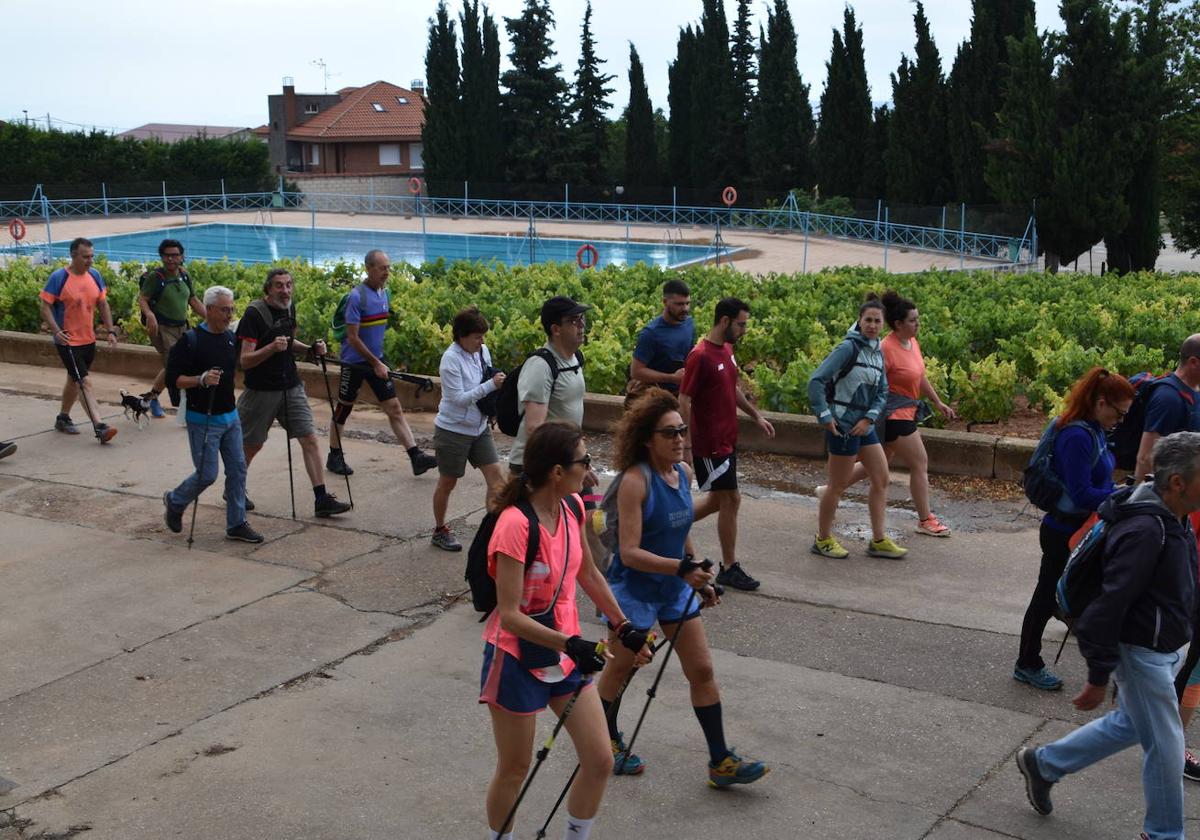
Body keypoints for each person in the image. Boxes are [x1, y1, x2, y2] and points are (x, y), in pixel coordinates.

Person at [1017, 432, 1200, 840]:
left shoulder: (1176, 515)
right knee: (1167, 743)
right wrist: (1099, 675)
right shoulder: (1146, 530)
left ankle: (1044, 764)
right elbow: (1106, 608)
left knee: (1132, 725)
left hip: (1163, 646)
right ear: (1178, 483)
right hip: (1141, 651)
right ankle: (1164, 834)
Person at [481, 422, 652, 840]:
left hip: (566, 654)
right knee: (515, 767)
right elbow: (509, 614)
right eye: (585, 461)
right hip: (516, 655)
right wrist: (571, 643)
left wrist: (622, 626)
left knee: (599, 760)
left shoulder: (573, 506)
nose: (591, 469)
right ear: (557, 471)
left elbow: (588, 573)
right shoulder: (515, 525)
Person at [597, 387, 770, 786]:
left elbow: (680, 527)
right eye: (669, 433)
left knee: (702, 669)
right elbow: (630, 551)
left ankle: (720, 761)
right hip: (633, 590)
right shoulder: (634, 482)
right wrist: (681, 569)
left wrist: (696, 574)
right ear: (646, 439)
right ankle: (605, 740)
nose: (679, 440)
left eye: (682, 431)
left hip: (674, 587)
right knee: (621, 668)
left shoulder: (683, 475)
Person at [1013, 367, 1135, 690]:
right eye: (1119, 413)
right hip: (1063, 532)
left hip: (1077, 529)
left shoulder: (1094, 430)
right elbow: (1082, 493)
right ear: (1099, 402)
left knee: (1069, 592)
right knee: (1046, 595)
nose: (1120, 420)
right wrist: (1123, 494)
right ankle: (1027, 662)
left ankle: (1062, 619)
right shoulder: (1077, 436)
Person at [834, 290, 957, 537]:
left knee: (874, 467)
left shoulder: (912, 343)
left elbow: (919, 376)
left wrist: (937, 402)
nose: (917, 324)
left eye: (918, 319)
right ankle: (925, 519)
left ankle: (830, 490)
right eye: (913, 320)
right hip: (891, 416)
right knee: (919, 462)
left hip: (907, 411)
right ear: (898, 324)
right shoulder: (885, 348)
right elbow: (873, 381)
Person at [236, 268, 351, 519]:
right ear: (268, 289)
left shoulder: (289, 308)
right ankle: (234, 489)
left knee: (309, 438)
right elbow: (245, 360)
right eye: (279, 285)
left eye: (289, 285)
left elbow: (288, 343)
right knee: (252, 445)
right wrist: (270, 349)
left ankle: (321, 498)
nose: (285, 290)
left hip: (291, 386)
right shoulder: (254, 314)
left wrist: (310, 350)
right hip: (261, 391)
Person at [679, 297, 776, 592]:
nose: (744, 330)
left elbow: (731, 387)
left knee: (719, 501)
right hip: (709, 445)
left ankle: (667, 523)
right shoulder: (701, 356)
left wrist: (756, 415)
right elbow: (684, 399)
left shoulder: (727, 351)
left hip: (727, 439)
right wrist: (685, 443)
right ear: (724, 321)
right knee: (730, 499)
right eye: (741, 324)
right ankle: (730, 567)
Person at [806, 294, 907, 560]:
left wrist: (870, 418)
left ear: (883, 324)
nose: (872, 325)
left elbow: (883, 390)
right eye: (868, 320)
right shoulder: (847, 349)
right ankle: (823, 539)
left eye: (877, 321)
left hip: (864, 427)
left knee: (881, 477)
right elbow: (815, 381)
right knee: (836, 486)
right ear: (860, 321)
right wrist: (826, 417)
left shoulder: (876, 352)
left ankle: (879, 540)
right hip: (842, 427)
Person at [161, 286, 262, 544]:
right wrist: (201, 380)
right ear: (209, 310)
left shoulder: (229, 338)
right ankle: (175, 500)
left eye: (231, 309)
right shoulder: (191, 340)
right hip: (202, 419)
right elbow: (173, 379)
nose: (230, 315)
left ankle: (237, 523)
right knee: (207, 474)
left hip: (230, 416)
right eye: (225, 310)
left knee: (238, 470)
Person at [325, 249, 437, 478]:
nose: (387, 272)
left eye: (388, 267)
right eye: (382, 267)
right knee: (344, 408)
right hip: (354, 363)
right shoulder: (357, 297)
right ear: (369, 268)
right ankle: (334, 455)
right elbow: (353, 338)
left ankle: (416, 456)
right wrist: (375, 362)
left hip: (376, 360)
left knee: (394, 408)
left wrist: (378, 361)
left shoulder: (385, 294)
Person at [430, 306, 506, 551]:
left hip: (479, 427)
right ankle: (440, 529)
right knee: (448, 482)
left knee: (496, 479)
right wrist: (491, 386)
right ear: (461, 336)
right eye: (477, 336)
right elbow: (458, 399)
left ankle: (492, 531)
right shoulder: (450, 360)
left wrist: (492, 405)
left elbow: (485, 377)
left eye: (482, 336)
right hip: (453, 430)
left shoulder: (482, 351)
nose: (481, 341)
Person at [38, 237, 119, 444]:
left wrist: (110, 330)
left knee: (73, 380)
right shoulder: (59, 277)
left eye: (91, 256)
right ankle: (100, 426)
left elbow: (103, 304)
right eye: (85, 257)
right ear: (73, 255)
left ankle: (63, 418)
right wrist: (56, 331)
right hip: (68, 341)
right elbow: (45, 306)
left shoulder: (95, 275)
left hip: (88, 340)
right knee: (84, 382)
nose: (90, 261)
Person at [137, 239, 205, 419]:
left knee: (172, 366)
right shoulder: (156, 277)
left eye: (175, 255)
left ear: (181, 257)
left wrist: (213, 318)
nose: (171, 259)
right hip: (163, 328)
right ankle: (185, 406)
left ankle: (151, 398)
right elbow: (142, 298)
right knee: (175, 366)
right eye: (167, 255)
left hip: (182, 327)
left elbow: (193, 300)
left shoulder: (184, 275)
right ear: (161, 257)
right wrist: (150, 315)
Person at [1133, 334, 1200, 482]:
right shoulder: (1168, 398)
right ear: (1193, 362)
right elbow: (1145, 458)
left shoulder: (1195, 391)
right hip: (1171, 496)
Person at [627, 279, 695, 403]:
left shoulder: (689, 324)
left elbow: (689, 357)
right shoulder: (651, 333)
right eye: (679, 304)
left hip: (681, 395)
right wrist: (672, 378)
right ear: (665, 302)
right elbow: (636, 372)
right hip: (654, 399)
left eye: (687, 303)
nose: (685, 308)